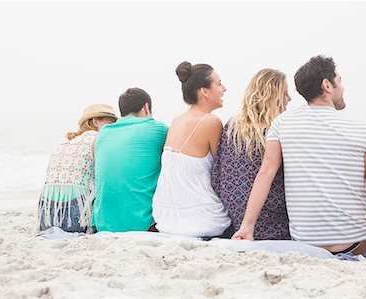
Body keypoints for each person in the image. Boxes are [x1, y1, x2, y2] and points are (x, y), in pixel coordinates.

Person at [233, 55, 366, 265]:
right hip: (356, 245)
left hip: (305, 244)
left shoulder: (282, 123)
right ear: (327, 85)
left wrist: (246, 228)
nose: (342, 87)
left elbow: (266, 173)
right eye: (340, 81)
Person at [152, 61, 232, 238]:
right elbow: (223, 173)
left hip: (166, 217)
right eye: (219, 83)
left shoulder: (177, 120)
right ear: (204, 91)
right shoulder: (211, 122)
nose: (224, 88)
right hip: (200, 218)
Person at [211, 68, 291, 240]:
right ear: (273, 96)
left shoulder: (231, 127)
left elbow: (217, 176)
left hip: (235, 218)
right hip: (271, 222)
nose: (289, 99)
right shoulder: (277, 130)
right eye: (285, 94)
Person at [91, 87, 168, 232]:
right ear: (146, 107)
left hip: (102, 224)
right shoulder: (157, 129)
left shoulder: (103, 134)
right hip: (141, 225)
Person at [38, 104, 117, 232]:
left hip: (46, 214)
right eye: (110, 124)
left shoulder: (65, 141)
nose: (112, 128)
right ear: (95, 122)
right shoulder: (98, 139)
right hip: (72, 215)